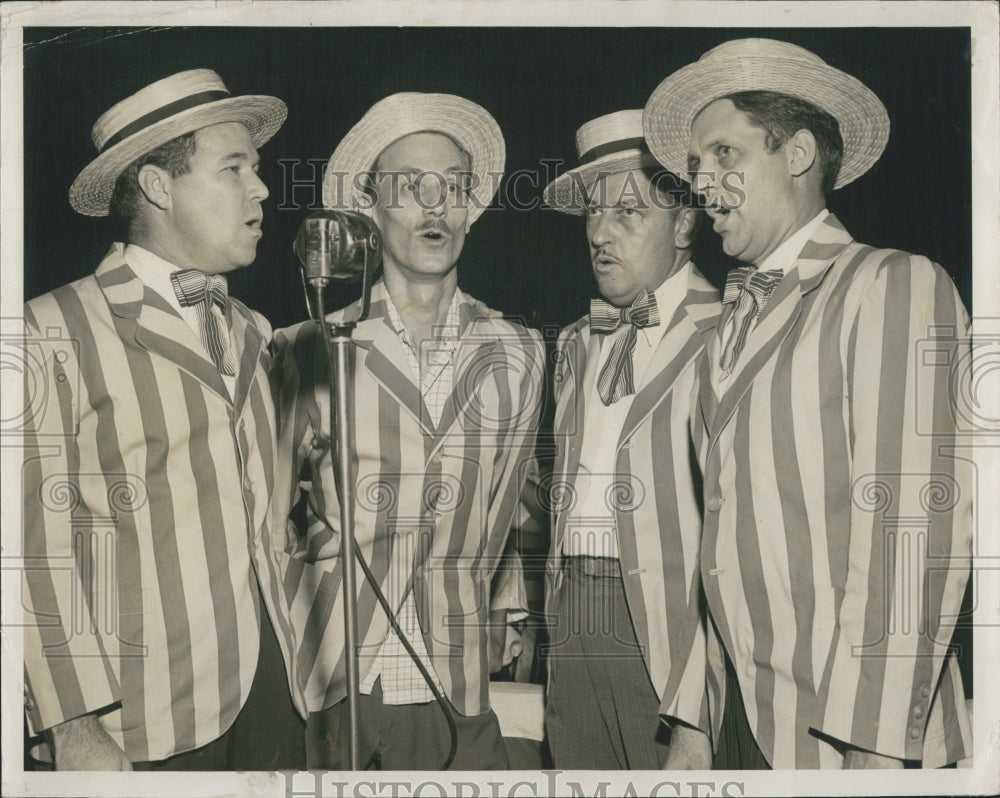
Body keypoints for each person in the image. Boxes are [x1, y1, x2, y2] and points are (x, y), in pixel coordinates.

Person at [643, 38, 973, 769]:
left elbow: (913, 530)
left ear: (796, 155)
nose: (703, 184)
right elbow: (719, 545)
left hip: (845, 738)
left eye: (725, 155)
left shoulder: (893, 284)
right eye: (697, 166)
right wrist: (695, 725)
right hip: (743, 727)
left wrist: (873, 748)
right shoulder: (726, 324)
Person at [21, 69, 306, 770]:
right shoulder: (48, 330)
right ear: (157, 186)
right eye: (233, 167)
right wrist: (73, 729)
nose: (262, 188)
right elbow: (29, 550)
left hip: (275, 695)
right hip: (142, 725)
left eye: (259, 168)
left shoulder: (252, 329)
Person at [270, 92, 545, 770]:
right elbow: (269, 518)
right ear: (370, 208)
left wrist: (495, 619)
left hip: (455, 683)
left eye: (452, 187)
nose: (435, 206)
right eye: (409, 187)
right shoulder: (307, 346)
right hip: (330, 681)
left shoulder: (520, 351)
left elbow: (505, 512)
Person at [539, 109, 721, 769]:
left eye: (627, 214)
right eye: (592, 214)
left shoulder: (727, 335)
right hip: (573, 623)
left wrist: (700, 705)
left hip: (674, 632)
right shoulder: (576, 343)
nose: (600, 234)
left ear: (684, 221)